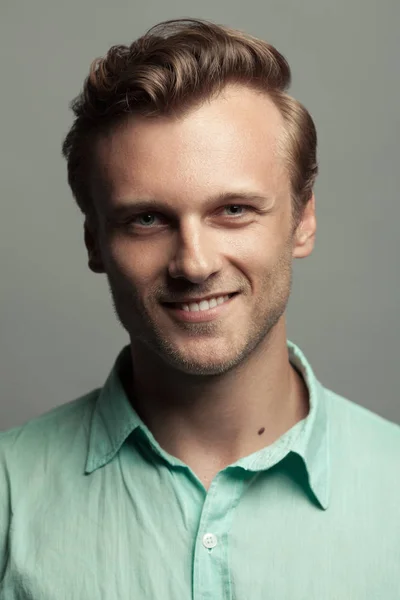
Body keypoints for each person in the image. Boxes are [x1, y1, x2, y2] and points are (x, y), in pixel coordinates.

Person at [1, 17, 399, 599]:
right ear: (94, 242)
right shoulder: (9, 496)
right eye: (147, 219)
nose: (194, 263)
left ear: (303, 219)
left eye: (234, 210)